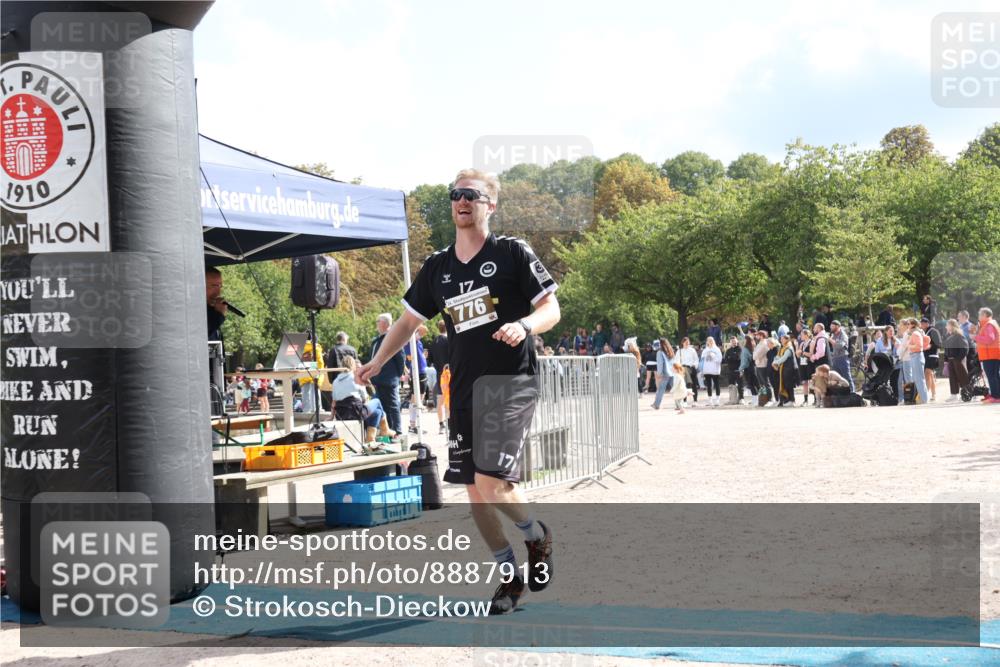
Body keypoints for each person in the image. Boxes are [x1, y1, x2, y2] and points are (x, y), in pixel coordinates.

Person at [357, 168, 559, 615]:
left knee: (491, 481)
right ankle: (509, 578)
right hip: (463, 389)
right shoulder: (437, 267)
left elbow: (551, 306)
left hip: (509, 383)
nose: (462, 201)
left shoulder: (511, 253)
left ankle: (536, 537)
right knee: (472, 490)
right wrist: (378, 361)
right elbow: (409, 321)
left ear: (491, 204)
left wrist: (524, 325)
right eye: (456, 195)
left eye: (472, 195)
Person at [333, 355, 390, 442]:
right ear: (353, 365)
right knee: (377, 401)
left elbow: (334, 402)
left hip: (341, 414)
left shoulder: (336, 381)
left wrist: (331, 416)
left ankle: (371, 438)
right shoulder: (355, 378)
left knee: (378, 412)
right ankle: (385, 430)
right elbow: (365, 397)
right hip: (356, 412)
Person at [368, 313, 406, 436]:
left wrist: (396, 375)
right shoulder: (377, 340)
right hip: (377, 379)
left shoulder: (392, 337)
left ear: (384, 323)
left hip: (389, 379)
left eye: (378, 321)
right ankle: (387, 431)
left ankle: (397, 430)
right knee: (382, 406)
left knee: (393, 405)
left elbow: (401, 358)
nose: (376, 324)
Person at [897, 318, 929, 405]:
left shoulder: (915, 333)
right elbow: (927, 341)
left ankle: (924, 399)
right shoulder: (915, 332)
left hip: (916, 355)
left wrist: (909, 345)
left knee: (919, 379)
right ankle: (922, 398)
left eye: (908, 324)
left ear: (913, 324)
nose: (907, 325)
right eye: (906, 324)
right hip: (915, 356)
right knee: (917, 378)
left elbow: (919, 346)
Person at [405, 324, 430, 434]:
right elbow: (425, 329)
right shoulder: (411, 338)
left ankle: (413, 425)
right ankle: (414, 426)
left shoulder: (409, 339)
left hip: (417, 371)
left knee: (416, 399)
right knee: (417, 399)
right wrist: (415, 323)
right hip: (419, 372)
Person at [428, 320, 450, 433]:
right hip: (450, 374)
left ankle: (441, 425)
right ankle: (450, 425)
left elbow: (430, 360)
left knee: (440, 401)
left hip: (439, 375)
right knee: (449, 401)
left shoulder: (433, 342)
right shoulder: (449, 340)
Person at [974, 307, 1000, 403]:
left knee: (992, 376)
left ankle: (996, 396)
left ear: (985, 315)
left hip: (991, 354)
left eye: (980, 314)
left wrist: (975, 337)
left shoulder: (989, 325)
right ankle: (995, 395)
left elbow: (989, 339)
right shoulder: (988, 324)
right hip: (990, 354)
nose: (978, 316)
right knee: (993, 375)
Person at [943, 319, 970, 403]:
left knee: (962, 377)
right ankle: (954, 395)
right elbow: (946, 349)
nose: (946, 327)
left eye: (947, 325)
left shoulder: (959, 335)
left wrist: (958, 359)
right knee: (952, 378)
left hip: (958, 360)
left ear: (952, 325)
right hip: (951, 360)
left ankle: (968, 393)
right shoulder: (948, 335)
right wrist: (946, 360)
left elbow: (965, 348)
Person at [300, 338, 325, 418]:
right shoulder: (316, 347)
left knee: (305, 392)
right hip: (314, 369)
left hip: (303, 370)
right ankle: (317, 409)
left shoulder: (300, 346)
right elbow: (320, 362)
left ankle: (306, 410)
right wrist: (320, 371)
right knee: (315, 390)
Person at [919, 317, 942, 402]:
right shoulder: (922, 332)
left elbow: (939, 344)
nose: (922, 325)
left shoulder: (933, 331)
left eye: (923, 323)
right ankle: (934, 394)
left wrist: (930, 346)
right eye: (921, 323)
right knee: (930, 375)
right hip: (925, 356)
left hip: (932, 355)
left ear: (927, 323)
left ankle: (927, 393)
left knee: (927, 373)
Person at [772, 334, 798, 406]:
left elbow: (784, 358)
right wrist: (774, 361)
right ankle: (787, 400)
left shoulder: (789, 348)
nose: (781, 340)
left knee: (789, 385)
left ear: (787, 340)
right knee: (785, 384)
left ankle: (792, 400)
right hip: (783, 369)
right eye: (781, 339)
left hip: (789, 369)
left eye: (782, 339)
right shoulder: (782, 347)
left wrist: (776, 363)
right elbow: (778, 356)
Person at [828, 320, 854, 392]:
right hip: (835, 359)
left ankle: (852, 393)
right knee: (836, 378)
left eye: (832, 327)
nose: (831, 328)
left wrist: (830, 340)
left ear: (838, 326)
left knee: (847, 377)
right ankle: (840, 394)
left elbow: (840, 346)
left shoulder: (843, 335)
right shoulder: (833, 335)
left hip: (843, 358)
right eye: (831, 327)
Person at [651, 338, 676, 410]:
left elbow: (660, 364)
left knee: (661, 389)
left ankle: (656, 404)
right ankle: (679, 404)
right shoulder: (670, 351)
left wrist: (659, 373)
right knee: (675, 389)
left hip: (665, 373)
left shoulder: (659, 352)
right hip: (672, 372)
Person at [205, 266, 227, 342]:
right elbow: (200, 335)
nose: (218, 292)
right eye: (214, 286)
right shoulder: (190, 310)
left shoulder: (213, 310)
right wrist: (219, 315)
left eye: (220, 286)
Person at [700, 337, 723, 406]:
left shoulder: (717, 349)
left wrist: (713, 356)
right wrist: (702, 370)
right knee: (708, 385)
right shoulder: (705, 350)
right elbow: (702, 360)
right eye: (708, 341)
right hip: (707, 370)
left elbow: (720, 359)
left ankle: (717, 400)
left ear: (713, 341)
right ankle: (710, 400)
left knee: (716, 384)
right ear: (707, 342)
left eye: (711, 341)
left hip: (715, 370)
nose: (710, 342)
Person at [679, 337, 699, 404]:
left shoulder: (692, 350)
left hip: (691, 368)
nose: (687, 343)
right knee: (684, 385)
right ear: (683, 343)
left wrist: (694, 365)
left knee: (694, 385)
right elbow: (676, 361)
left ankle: (695, 401)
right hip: (683, 369)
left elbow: (696, 359)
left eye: (688, 342)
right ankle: (684, 401)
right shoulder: (680, 351)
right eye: (685, 342)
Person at [752, 331, 771, 403]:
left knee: (766, 383)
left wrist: (754, 353)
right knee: (761, 384)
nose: (756, 336)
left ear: (761, 336)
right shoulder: (760, 343)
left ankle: (769, 399)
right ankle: (764, 399)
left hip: (763, 365)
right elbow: (754, 354)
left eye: (757, 335)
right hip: (759, 365)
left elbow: (755, 356)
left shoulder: (764, 344)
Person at [723, 336, 743, 403]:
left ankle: (741, 398)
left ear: (737, 341)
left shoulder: (740, 349)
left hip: (738, 370)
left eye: (734, 341)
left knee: (740, 385)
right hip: (730, 370)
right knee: (731, 385)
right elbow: (725, 360)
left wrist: (730, 357)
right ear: (730, 342)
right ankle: (732, 399)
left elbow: (738, 358)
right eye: (732, 341)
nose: (733, 342)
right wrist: (732, 357)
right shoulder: (728, 350)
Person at [797, 329, 814, 406]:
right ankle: (805, 400)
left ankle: (816, 399)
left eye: (802, 335)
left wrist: (803, 352)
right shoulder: (802, 344)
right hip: (802, 363)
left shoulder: (812, 342)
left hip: (809, 364)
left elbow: (811, 354)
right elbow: (798, 355)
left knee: (812, 382)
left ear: (806, 335)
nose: (801, 336)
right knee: (804, 382)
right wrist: (798, 352)